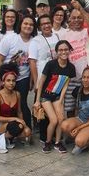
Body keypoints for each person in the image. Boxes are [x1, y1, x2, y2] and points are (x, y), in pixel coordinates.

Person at [34, 40, 76, 154]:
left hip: (57, 97)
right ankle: (48, 142)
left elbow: (65, 85)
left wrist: (61, 100)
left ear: (69, 50)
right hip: (45, 96)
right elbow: (41, 82)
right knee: (53, 120)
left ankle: (57, 142)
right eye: (61, 50)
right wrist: (37, 100)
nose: (64, 52)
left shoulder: (71, 67)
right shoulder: (50, 64)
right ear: (57, 52)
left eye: (66, 49)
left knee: (61, 119)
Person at [0, 15, 37, 129]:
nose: (28, 26)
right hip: (7, 78)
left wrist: (32, 81)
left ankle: (27, 129)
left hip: (23, 77)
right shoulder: (10, 39)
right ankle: (9, 129)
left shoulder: (35, 41)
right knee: (8, 104)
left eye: (31, 24)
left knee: (22, 103)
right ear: (20, 25)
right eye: (25, 23)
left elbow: (33, 63)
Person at [28, 14, 60, 143]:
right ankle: (43, 135)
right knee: (42, 109)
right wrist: (36, 82)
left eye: (48, 23)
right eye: (43, 24)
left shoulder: (56, 37)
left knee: (54, 106)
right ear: (39, 27)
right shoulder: (35, 41)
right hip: (43, 78)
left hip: (56, 79)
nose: (46, 25)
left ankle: (53, 134)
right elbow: (32, 62)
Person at [62, 1, 89, 118]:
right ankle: (71, 130)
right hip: (70, 78)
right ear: (69, 19)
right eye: (74, 18)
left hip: (86, 77)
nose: (77, 20)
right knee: (70, 108)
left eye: (79, 18)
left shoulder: (87, 32)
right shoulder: (64, 35)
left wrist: (81, 9)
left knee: (86, 107)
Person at [61, 65, 89, 154]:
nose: (85, 80)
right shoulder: (78, 90)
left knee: (79, 141)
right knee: (64, 126)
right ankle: (83, 137)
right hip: (81, 119)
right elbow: (76, 107)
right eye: (84, 77)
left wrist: (79, 128)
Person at [0, 63, 32, 153]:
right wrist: (16, 119)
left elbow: (19, 112)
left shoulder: (17, 94)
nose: (11, 83)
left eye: (13, 81)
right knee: (15, 126)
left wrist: (24, 125)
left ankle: (8, 138)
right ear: (3, 82)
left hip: (13, 123)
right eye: (8, 80)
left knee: (27, 132)